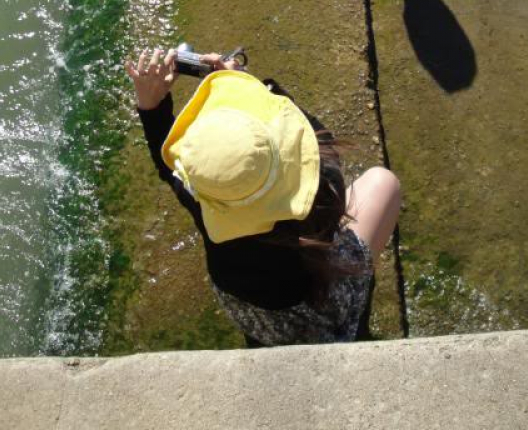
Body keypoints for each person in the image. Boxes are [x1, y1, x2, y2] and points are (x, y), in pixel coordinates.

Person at [125, 46, 401, 346]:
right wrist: (253, 86)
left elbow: (170, 169)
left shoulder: (203, 200)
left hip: (254, 314)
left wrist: (152, 108)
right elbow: (312, 135)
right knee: (382, 183)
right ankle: (352, 326)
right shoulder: (322, 191)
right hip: (321, 304)